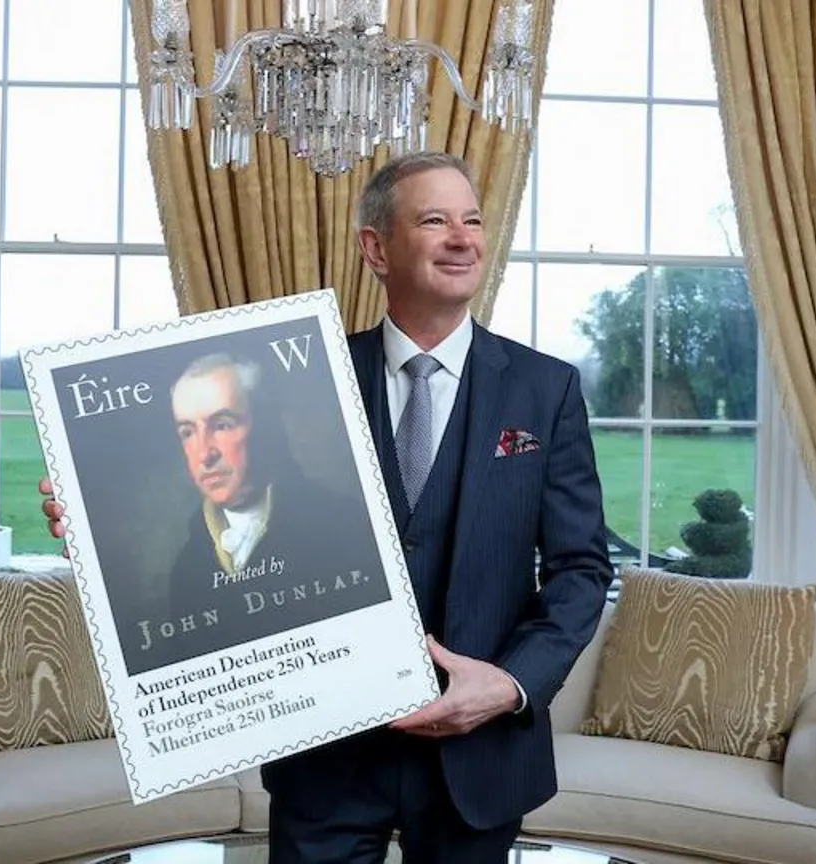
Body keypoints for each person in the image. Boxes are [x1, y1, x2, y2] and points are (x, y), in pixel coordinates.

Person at [39, 151, 613, 863]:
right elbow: (230, 519)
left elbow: (582, 568)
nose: (463, 238)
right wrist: (96, 525)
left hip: (482, 757)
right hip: (327, 757)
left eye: (471, 220)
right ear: (376, 247)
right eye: (434, 220)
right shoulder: (305, 380)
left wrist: (510, 684)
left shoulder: (545, 389)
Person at [95, 349, 391, 674]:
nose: (204, 453)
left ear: (265, 426)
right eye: (188, 432)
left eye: (222, 424)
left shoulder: (346, 526)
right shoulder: (187, 569)